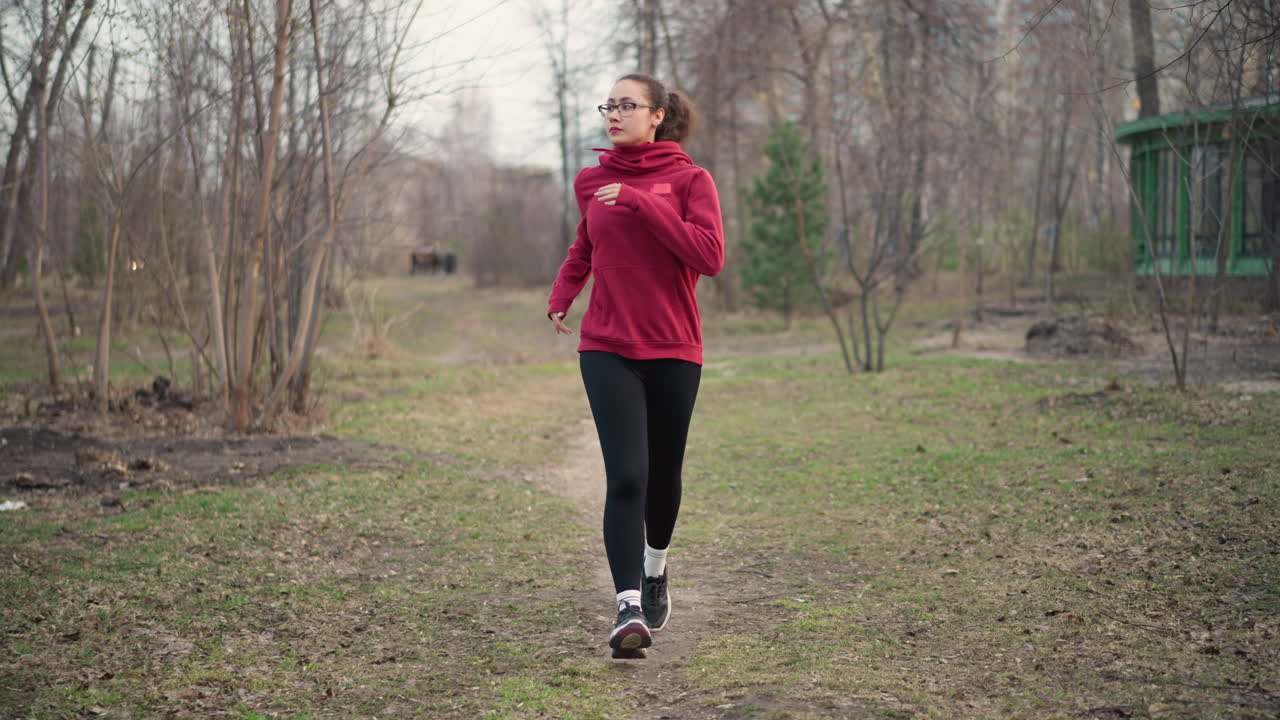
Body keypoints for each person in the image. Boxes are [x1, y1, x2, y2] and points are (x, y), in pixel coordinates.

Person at [546, 73, 725, 659]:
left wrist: (644, 203)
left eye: (628, 105)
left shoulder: (691, 180)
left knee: (663, 476)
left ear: (657, 116)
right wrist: (563, 292)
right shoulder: (591, 181)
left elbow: (709, 255)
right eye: (609, 105)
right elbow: (587, 245)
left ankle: (655, 566)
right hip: (607, 346)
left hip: (674, 346)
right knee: (627, 475)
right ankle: (627, 606)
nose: (614, 114)